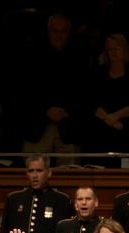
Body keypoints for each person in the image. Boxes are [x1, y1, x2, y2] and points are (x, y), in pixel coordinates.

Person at [20, 13, 88, 166]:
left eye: (63, 31)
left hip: (69, 126)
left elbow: (84, 91)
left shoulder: (81, 57)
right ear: (48, 31)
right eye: (54, 31)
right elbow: (25, 92)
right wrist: (46, 109)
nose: (58, 35)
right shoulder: (31, 56)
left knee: (70, 177)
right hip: (37, 125)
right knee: (34, 175)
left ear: (69, 33)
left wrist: (66, 110)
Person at [89, 33, 129, 156]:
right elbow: (91, 101)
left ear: (124, 50)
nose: (113, 52)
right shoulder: (99, 71)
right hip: (102, 127)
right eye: (110, 49)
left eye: (116, 48)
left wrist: (115, 116)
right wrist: (108, 118)